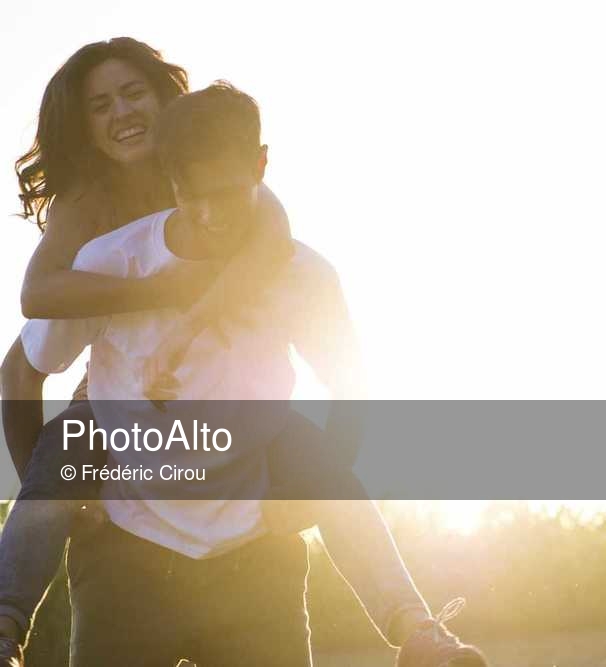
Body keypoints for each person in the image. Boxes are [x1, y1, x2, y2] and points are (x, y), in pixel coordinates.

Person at [0, 40, 486, 667]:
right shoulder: (91, 217)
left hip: (240, 437)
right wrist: (66, 489)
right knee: (61, 460)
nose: (120, 112)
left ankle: (417, 629)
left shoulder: (250, 205)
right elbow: (34, 309)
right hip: (114, 418)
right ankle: (6, 622)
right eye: (100, 105)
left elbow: (282, 255)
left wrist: (208, 307)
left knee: (314, 456)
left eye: (133, 93)